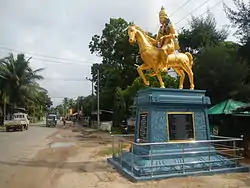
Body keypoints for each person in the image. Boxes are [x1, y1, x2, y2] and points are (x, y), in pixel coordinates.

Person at [153, 6, 180, 71]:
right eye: (159, 18)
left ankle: (165, 65)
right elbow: (157, 40)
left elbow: (175, 34)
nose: (160, 19)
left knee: (162, 50)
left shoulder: (170, 26)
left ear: (165, 18)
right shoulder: (160, 29)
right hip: (163, 44)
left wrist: (166, 37)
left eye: (161, 18)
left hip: (170, 44)